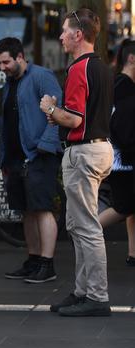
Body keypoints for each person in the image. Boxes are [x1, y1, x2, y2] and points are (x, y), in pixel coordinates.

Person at [41, 9, 113, 317]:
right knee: (80, 225)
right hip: (97, 148)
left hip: (83, 151)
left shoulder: (79, 69)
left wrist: (51, 108)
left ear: (78, 35)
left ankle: (95, 295)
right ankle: (84, 291)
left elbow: (73, 118)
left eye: (64, 31)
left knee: (85, 227)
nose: (60, 37)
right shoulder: (103, 68)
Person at [0, 37, 63, 284]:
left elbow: (58, 112)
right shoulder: (11, 83)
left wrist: (44, 147)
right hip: (16, 158)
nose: (2, 67)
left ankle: (47, 264)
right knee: (27, 211)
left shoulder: (41, 76)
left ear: (21, 57)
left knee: (42, 209)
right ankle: (34, 260)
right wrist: (4, 159)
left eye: (6, 62)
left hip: (37, 156)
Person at [99, 39, 135, 267]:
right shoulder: (125, 87)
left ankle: (133, 253)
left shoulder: (119, 84)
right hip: (123, 158)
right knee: (124, 206)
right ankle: (87, 231)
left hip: (119, 156)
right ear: (132, 59)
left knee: (131, 206)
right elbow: (123, 126)